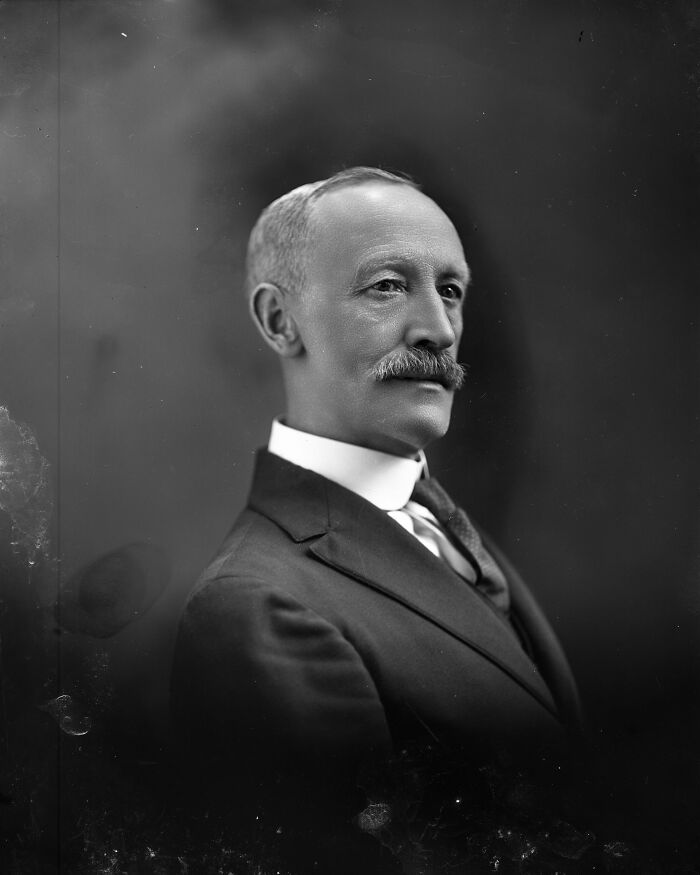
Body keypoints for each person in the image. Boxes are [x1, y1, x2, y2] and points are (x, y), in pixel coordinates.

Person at [169, 167, 582, 873]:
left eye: (449, 290)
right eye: (387, 286)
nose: (438, 328)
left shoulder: (437, 526)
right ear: (280, 320)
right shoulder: (256, 609)